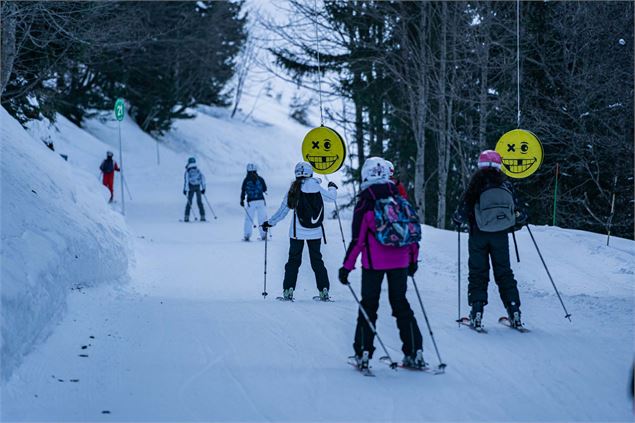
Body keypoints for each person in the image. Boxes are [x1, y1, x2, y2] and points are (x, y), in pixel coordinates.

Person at [338, 157, 424, 370]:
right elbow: (411, 233)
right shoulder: (399, 200)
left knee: (369, 306)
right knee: (401, 305)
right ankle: (415, 351)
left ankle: (363, 352)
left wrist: (346, 268)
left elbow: (357, 241)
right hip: (401, 262)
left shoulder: (365, 204)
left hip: (373, 265)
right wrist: (413, 261)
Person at [452, 150, 527, 329]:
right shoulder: (506, 185)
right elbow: (520, 212)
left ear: (480, 166)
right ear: (499, 166)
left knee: (478, 272)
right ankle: (514, 311)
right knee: (504, 272)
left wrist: (457, 219)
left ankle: (476, 313)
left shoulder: (475, 186)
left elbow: (460, 214)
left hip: (478, 235)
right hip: (500, 236)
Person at [261, 161, 337, 301]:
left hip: (297, 233)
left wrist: (270, 223)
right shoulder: (317, 187)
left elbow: (283, 211)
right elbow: (332, 198)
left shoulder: (294, 190)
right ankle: (324, 290)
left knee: (293, 261)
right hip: (316, 232)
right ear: (311, 173)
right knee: (317, 261)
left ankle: (288, 290)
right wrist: (332, 187)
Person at [240, 163, 268, 241]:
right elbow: (265, 189)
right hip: (261, 201)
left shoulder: (246, 180)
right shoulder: (260, 179)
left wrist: (241, 200)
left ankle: (247, 235)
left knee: (249, 219)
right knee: (262, 219)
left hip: (251, 202)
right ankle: (264, 235)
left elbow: (243, 191)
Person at [183, 157, 206, 222]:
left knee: (189, 202)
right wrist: (203, 188)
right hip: (198, 186)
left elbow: (186, 181)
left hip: (191, 187)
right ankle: (202, 217)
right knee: (199, 202)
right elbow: (203, 178)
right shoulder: (198, 170)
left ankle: (186, 217)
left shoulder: (187, 171)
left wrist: (185, 190)